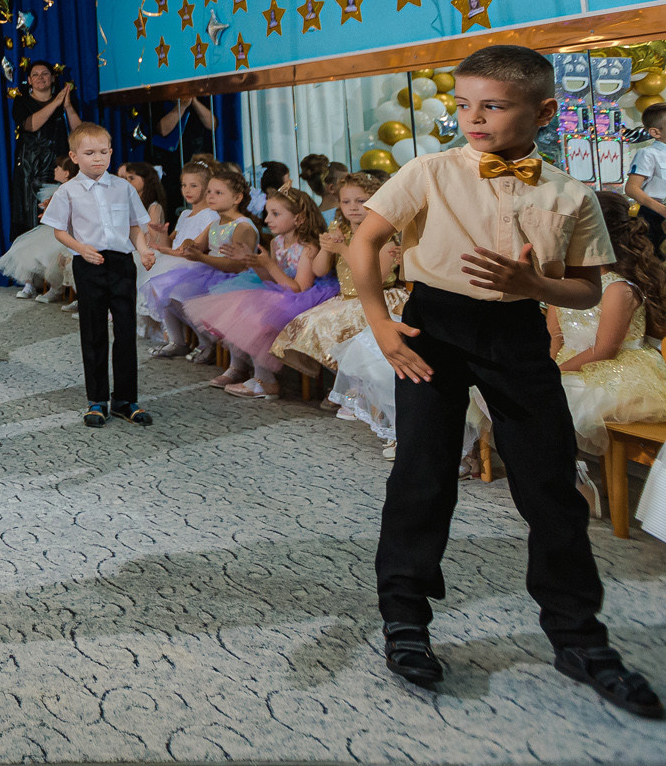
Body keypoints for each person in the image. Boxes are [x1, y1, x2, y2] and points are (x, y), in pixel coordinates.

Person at [346, 44, 661, 715]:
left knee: (551, 486)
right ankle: (405, 617)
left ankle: (578, 634)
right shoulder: (427, 170)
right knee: (422, 477)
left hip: (517, 332)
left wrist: (533, 282)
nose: (474, 118)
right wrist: (378, 320)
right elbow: (365, 241)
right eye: (463, 104)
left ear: (544, 111)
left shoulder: (570, 192)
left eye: (492, 104)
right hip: (434, 326)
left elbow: (582, 291)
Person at [43, 124, 157, 427]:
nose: (98, 159)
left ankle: (125, 399)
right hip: (88, 264)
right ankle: (97, 399)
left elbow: (135, 225)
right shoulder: (67, 191)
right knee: (93, 332)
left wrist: (143, 249)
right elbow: (58, 229)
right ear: (74, 156)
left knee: (125, 330)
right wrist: (82, 248)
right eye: (89, 153)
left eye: (104, 152)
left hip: (121, 264)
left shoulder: (123, 188)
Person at [186, 188, 335, 400]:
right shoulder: (277, 242)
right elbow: (270, 279)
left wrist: (268, 264)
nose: (268, 219)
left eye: (275, 214)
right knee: (238, 308)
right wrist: (253, 262)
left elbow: (299, 288)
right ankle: (243, 369)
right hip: (282, 291)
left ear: (299, 218)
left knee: (256, 317)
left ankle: (265, 381)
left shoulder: (308, 248)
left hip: (306, 297)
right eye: (268, 213)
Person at [551, 190, 666, 459]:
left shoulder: (617, 289)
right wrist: (546, 368)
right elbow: (554, 336)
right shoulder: (565, 283)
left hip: (616, 372)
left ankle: (569, 474)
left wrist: (554, 373)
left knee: (557, 399)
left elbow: (605, 350)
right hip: (572, 366)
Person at [270, 171, 403, 380]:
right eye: (346, 201)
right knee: (307, 324)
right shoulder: (344, 234)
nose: (353, 207)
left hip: (376, 300)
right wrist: (327, 248)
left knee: (347, 331)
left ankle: (356, 388)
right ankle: (342, 383)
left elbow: (373, 279)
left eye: (361, 201)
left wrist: (342, 250)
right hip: (345, 299)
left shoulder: (384, 240)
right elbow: (320, 270)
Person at [146, 166, 260, 369]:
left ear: (237, 198)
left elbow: (237, 265)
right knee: (170, 292)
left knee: (186, 295)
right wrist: (190, 244)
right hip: (212, 272)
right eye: (209, 192)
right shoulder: (216, 223)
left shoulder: (242, 226)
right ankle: (205, 341)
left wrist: (201, 257)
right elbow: (197, 246)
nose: (211, 197)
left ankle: (226, 356)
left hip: (232, 279)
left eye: (218, 193)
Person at [144, 160, 220, 355]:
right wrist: (161, 234)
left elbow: (192, 249)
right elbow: (171, 245)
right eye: (184, 185)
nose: (187, 190)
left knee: (174, 292)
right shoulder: (185, 213)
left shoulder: (210, 215)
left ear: (206, 187)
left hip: (195, 267)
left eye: (194, 185)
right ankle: (177, 340)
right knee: (159, 288)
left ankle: (206, 342)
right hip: (175, 264)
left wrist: (164, 249)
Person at [0, 155, 76, 302]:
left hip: (65, 232)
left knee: (49, 255)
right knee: (24, 247)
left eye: (58, 168)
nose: (55, 170)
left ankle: (55, 289)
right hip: (50, 230)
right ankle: (29, 285)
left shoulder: (73, 190)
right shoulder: (57, 189)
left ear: (67, 172)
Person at [13, 63, 80, 233]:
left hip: (59, 164)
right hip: (32, 168)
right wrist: (55, 102)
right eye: (35, 75)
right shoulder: (21, 102)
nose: (40, 77)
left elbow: (80, 132)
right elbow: (31, 125)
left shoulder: (66, 101)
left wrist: (67, 106)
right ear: (29, 80)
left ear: (53, 77)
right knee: (33, 216)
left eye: (44, 73)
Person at [116, 161, 170, 342]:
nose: (127, 181)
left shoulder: (153, 206)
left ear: (145, 181)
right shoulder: (130, 201)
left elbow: (152, 236)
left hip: (147, 248)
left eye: (132, 178)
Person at [626, 104, 666, 250]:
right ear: (655, 132)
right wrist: (661, 210)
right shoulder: (648, 153)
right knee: (655, 262)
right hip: (654, 216)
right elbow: (632, 188)